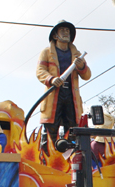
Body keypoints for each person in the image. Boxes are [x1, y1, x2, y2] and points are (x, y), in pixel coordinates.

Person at [36, 20, 91, 148]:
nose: (66, 32)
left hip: (71, 96)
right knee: (51, 129)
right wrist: (51, 79)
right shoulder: (46, 52)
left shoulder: (76, 55)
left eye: (68, 31)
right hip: (54, 95)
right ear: (55, 35)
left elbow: (87, 75)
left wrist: (81, 65)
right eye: (63, 30)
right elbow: (40, 71)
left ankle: (72, 154)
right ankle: (48, 154)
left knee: (73, 128)